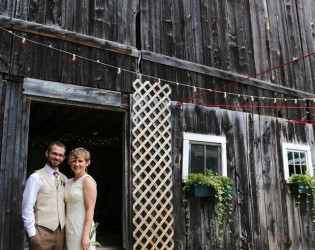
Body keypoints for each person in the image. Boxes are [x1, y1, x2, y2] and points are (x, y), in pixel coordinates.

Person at [22, 141, 68, 250]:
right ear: (47, 153)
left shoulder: (64, 178)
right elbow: (27, 206)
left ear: (64, 158)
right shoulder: (36, 177)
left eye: (60, 155)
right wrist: (32, 235)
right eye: (54, 154)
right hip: (41, 232)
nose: (57, 157)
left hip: (61, 232)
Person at [65, 147, 97, 250]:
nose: (76, 164)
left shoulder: (87, 181)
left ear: (87, 163)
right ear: (70, 163)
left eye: (80, 161)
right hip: (69, 226)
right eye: (73, 161)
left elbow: (90, 209)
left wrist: (85, 235)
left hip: (81, 227)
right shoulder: (68, 181)